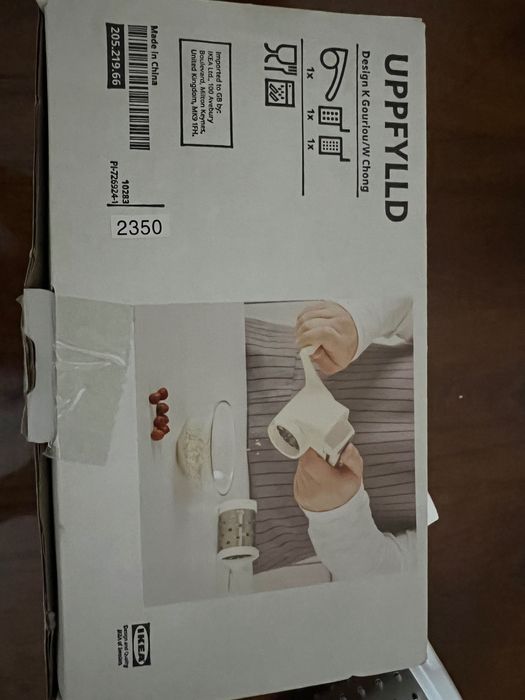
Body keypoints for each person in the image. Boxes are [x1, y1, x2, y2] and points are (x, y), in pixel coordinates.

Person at [293, 298, 417, 580]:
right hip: (250, 360)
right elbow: (412, 302)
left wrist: (336, 514)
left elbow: (389, 572)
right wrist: (356, 322)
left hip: (242, 520)